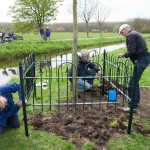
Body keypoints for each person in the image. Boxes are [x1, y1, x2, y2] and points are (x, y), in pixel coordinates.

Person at [118, 24, 150, 112]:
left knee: (132, 83)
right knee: (135, 81)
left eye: (121, 32)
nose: (122, 34)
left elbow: (132, 51)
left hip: (142, 59)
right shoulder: (134, 34)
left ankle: (132, 106)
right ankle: (136, 102)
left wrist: (123, 55)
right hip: (143, 58)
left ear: (125, 30)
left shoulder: (130, 35)